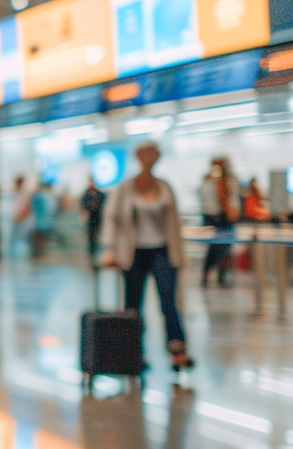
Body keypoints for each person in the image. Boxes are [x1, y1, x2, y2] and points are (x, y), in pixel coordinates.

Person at [100, 141, 193, 372]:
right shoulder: (125, 188)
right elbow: (112, 218)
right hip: (133, 253)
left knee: (168, 302)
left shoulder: (164, 187)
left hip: (162, 250)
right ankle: (134, 352)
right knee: (133, 304)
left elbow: (174, 224)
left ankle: (177, 350)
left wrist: (180, 255)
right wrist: (110, 249)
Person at [199, 157, 239, 287]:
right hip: (213, 217)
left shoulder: (230, 180)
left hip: (225, 218)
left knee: (225, 249)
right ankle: (206, 275)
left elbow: (232, 199)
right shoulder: (209, 181)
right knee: (214, 249)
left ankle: (222, 276)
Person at [80, 177, 106, 269]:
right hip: (91, 220)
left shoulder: (100, 194)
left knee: (99, 239)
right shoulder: (86, 194)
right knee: (91, 240)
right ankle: (92, 259)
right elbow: (83, 206)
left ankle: (99, 258)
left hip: (99, 219)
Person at [30, 179, 58, 257]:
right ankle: (42, 255)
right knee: (43, 241)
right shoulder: (50, 196)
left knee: (38, 241)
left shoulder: (38, 196)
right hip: (48, 222)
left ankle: (39, 255)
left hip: (39, 223)